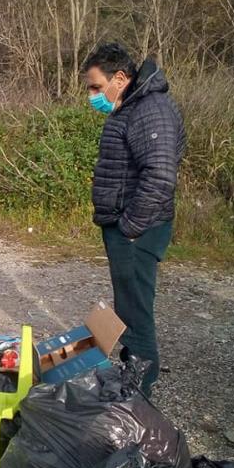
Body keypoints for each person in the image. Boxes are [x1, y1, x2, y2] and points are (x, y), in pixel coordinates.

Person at [83, 42, 185, 396]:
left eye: (96, 87)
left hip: (137, 231)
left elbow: (159, 177)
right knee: (128, 310)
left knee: (136, 317)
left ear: (121, 78)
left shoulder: (150, 110)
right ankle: (131, 381)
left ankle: (139, 400)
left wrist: (129, 228)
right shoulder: (130, 107)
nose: (92, 96)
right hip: (126, 227)